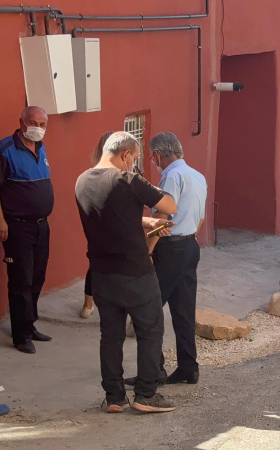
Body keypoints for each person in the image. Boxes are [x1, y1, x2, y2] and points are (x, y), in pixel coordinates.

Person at [75, 131, 178, 413]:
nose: (134, 163)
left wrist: (144, 223)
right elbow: (169, 205)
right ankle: (146, 395)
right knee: (150, 331)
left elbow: (113, 217)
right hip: (135, 272)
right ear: (125, 155)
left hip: (102, 273)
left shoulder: (82, 181)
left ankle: (114, 397)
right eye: (134, 157)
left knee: (110, 336)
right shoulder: (128, 180)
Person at [126, 132, 207, 387]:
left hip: (169, 248)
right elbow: (200, 217)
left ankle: (153, 372)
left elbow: (163, 214)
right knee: (184, 311)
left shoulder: (171, 176)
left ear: (158, 154)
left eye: (152, 156)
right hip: (190, 246)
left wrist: (148, 250)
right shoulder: (197, 175)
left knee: (147, 311)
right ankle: (188, 368)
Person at [0, 106, 54, 354]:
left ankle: (29, 324)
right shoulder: (5, 150)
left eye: (42, 124)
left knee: (37, 276)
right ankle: (20, 336)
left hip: (42, 226)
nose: (38, 128)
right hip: (17, 227)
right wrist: (1, 221)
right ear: (21, 122)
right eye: (33, 122)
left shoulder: (41, 148)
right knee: (21, 280)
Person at [80, 131, 114, 319]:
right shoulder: (124, 173)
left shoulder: (93, 173)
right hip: (116, 225)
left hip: (96, 225)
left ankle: (87, 305)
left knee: (95, 263)